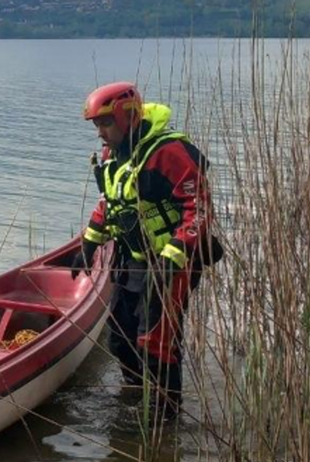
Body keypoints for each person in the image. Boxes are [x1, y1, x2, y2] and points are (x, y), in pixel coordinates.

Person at [71, 81, 223, 419]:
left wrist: (173, 257)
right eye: (97, 125)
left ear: (128, 117)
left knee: (156, 342)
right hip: (132, 260)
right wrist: (90, 242)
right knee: (120, 339)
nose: (100, 133)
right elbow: (109, 202)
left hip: (172, 263)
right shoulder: (115, 155)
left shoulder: (168, 152)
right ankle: (136, 396)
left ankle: (163, 416)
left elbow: (198, 207)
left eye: (105, 123)